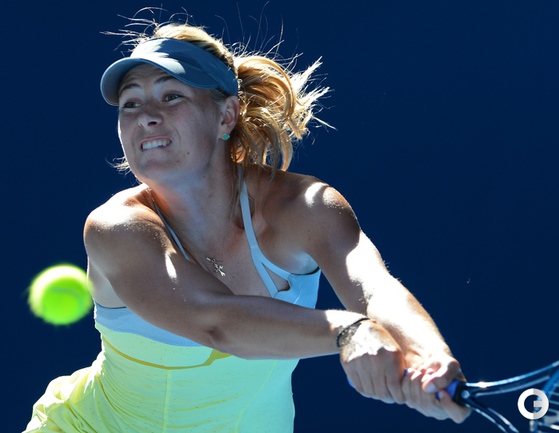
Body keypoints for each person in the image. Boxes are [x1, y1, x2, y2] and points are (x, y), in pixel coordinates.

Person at [24, 18, 470, 433]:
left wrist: (431, 358)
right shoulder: (116, 227)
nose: (146, 115)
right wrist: (349, 331)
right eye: (131, 103)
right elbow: (215, 322)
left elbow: (374, 290)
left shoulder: (303, 206)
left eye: (171, 96)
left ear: (226, 115)